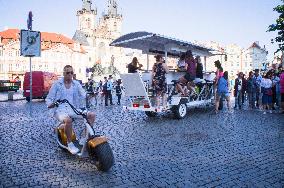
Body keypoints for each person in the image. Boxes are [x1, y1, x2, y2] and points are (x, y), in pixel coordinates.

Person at [46, 65, 96, 154]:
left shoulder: (76, 84)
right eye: (68, 72)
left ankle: (83, 138)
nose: (70, 74)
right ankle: (70, 144)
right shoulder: (57, 84)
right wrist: (51, 104)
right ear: (64, 73)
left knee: (92, 115)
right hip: (60, 110)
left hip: (72, 108)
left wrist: (92, 95)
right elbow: (49, 98)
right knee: (68, 121)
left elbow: (84, 95)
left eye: (72, 72)